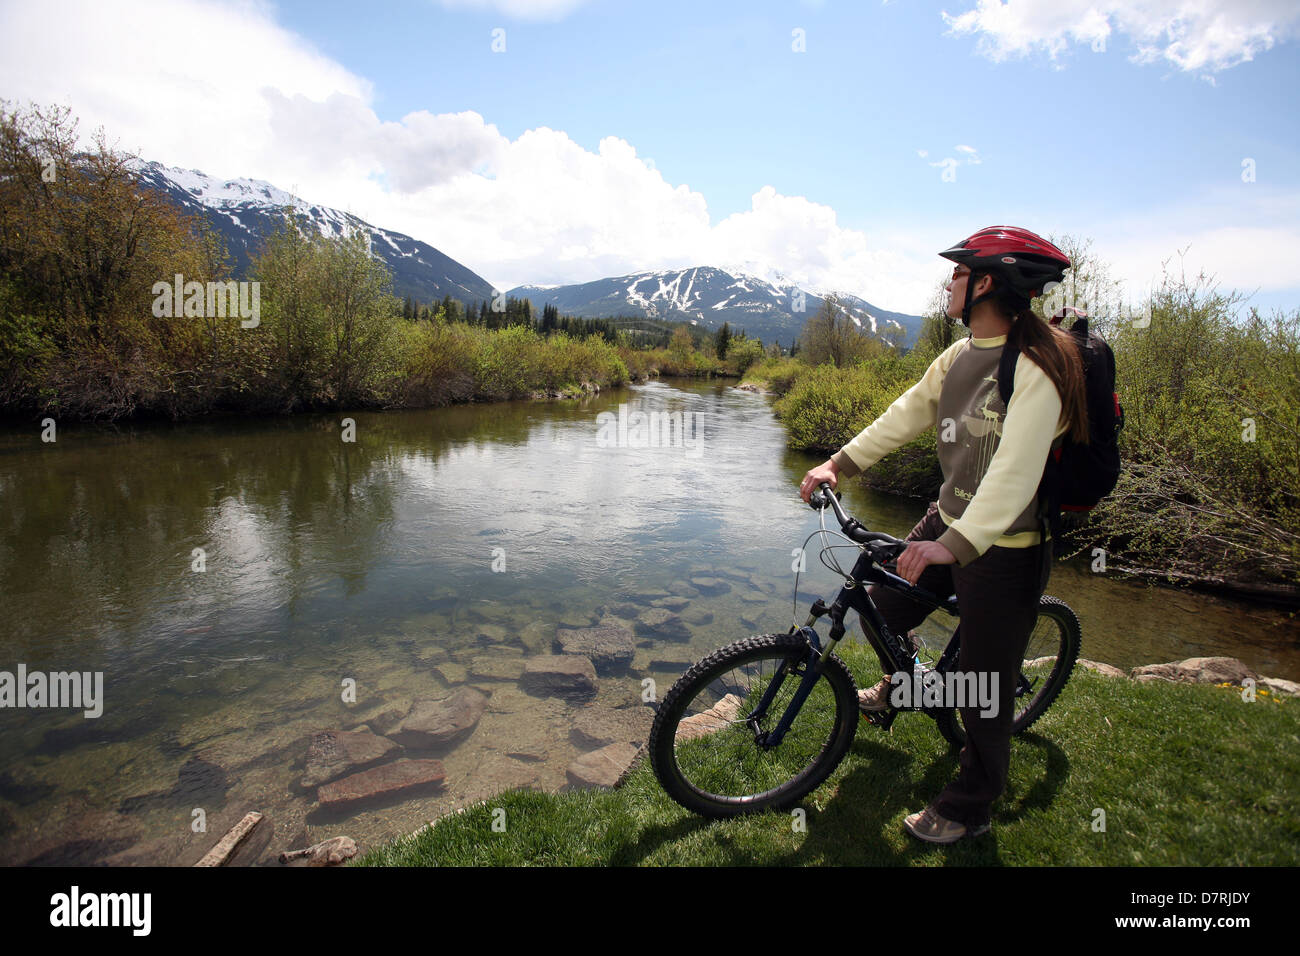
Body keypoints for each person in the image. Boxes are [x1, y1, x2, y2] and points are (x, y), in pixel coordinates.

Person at [798, 226, 1089, 843]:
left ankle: (969, 807)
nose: (948, 284)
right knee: (885, 604)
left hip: (1007, 550)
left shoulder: (1037, 368)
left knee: (984, 691)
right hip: (948, 520)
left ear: (985, 283)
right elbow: (904, 414)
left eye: (957, 274)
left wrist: (951, 546)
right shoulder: (958, 357)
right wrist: (839, 463)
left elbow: (1013, 478)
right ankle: (910, 685)